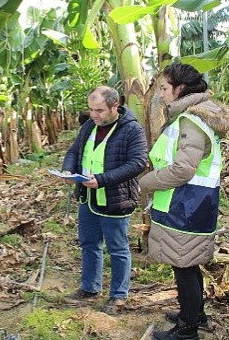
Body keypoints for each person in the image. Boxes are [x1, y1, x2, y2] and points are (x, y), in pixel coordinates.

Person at [139, 63, 229, 340]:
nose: (161, 94)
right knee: (186, 264)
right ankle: (194, 314)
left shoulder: (190, 122)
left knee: (184, 267)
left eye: (165, 88)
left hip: (186, 206)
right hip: (189, 204)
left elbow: (183, 169)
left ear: (180, 89)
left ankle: (187, 330)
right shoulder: (193, 118)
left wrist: (146, 183)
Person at [62, 86, 148, 314]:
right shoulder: (89, 126)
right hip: (88, 197)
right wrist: (68, 170)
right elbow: (73, 152)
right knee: (89, 244)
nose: (94, 115)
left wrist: (103, 179)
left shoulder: (131, 130)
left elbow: (138, 163)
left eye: (99, 110)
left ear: (114, 106)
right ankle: (90, 288)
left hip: (115, 198)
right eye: (91, 110)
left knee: (117, 248)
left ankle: (119, 296)